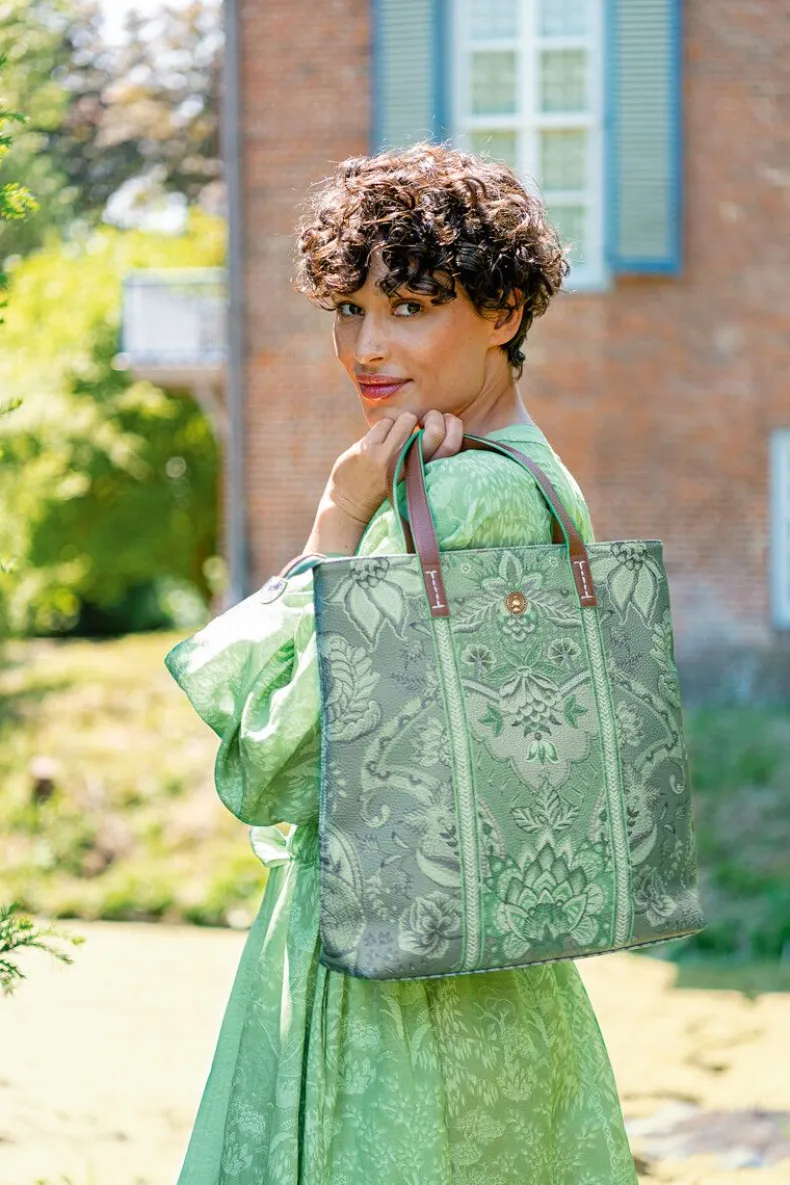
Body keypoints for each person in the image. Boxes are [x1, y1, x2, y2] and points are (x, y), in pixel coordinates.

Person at [165, 142, 639, 1185]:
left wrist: (338, 516)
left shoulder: (453, 500)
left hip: (387, 993)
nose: (366, 347)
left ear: (503, 311)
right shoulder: (539, 481)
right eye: (350, 309)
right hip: (498, 986)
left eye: (411, 306)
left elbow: (277, 764)